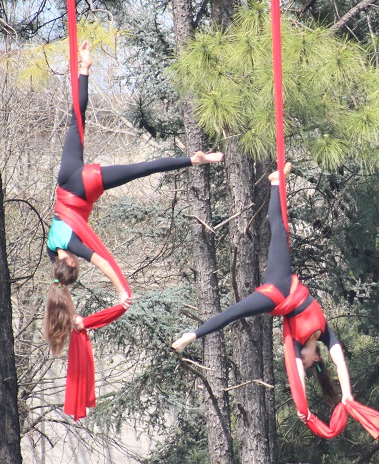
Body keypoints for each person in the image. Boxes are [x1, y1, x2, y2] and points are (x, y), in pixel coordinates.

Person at [44, 40, 223, 357]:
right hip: (65, 183)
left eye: (76, 265)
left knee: (140, 170)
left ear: (70, 262)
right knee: (77, 120)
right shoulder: (54, 253)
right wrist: (73, 318)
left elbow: (102, 261)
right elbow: (60, 292)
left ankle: (193, 160)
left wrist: (121, 292)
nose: (78, 263)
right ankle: (84, 67)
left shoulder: (73, 245)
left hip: (84, 189)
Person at [172, 162, 353, 409]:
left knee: (233, 312)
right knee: (279, 230)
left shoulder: (297, 344)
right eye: (307, 360)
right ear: (317, 357)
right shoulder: (327, 334)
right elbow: (340, 363)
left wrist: (304, 409)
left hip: (276, 297)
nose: (302, 358)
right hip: (286, 281)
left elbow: (297, 375)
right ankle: (276, 181)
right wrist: (347, 395)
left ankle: (190, 336)